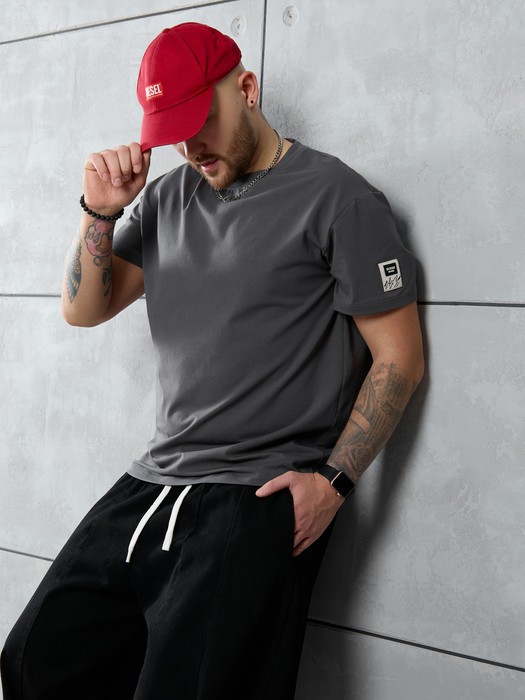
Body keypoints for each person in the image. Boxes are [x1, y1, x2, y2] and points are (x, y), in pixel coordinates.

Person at [1, 21, 424, 700]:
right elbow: (84, 309)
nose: (190, 146)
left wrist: (332, 484)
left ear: (246, 89)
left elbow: (398, 358)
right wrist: (99, 213)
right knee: (36, 662)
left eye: (200, 122)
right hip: (153, 481)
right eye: (172, 131)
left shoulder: (338, 198)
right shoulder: (167, 198)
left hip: (255, 495)